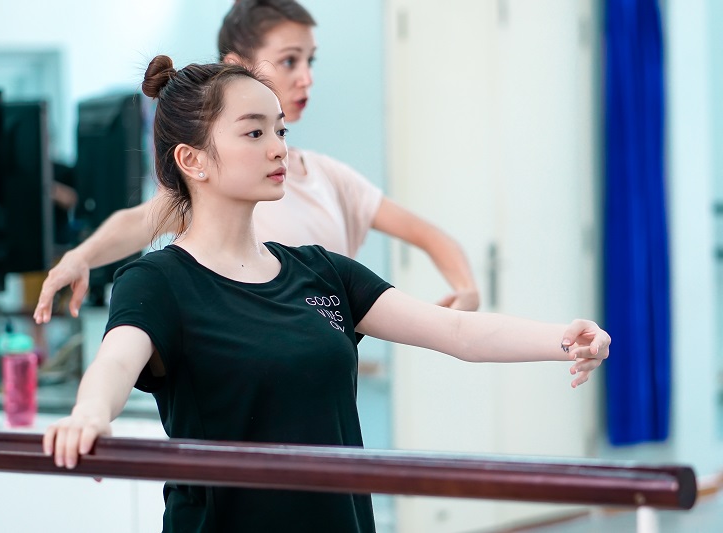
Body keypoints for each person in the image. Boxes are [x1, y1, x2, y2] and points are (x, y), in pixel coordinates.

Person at [42, 57, 611, 533]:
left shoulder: (322, 272)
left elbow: (457, 332)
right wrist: (89, 414)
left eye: (280, 131)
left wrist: (564, 338)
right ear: (192, 160)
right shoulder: (157, 280)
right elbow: (116, 360)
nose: (278, 149)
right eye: (254, 132)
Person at [33, 0, 479, 325]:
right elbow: (140, 221)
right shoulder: (220, 183)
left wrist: (466, 289)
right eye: (289, 61)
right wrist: (80, 257)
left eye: (310, 61)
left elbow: (430, 236)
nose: (306, 78)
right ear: (238, 66)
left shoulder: (329, 177)